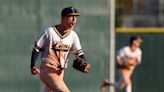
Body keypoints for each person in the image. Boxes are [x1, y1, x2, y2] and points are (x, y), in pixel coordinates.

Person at [30, 6, 90, 92]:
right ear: (63, 18)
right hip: (48, 69)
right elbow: (36, 49)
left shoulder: (73, 35)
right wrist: (32, 65)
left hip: (60, 72)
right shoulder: (49, 32)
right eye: (71, 16)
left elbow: (79, 54)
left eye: (75, 17)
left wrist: (85, 63)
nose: (74, 19)